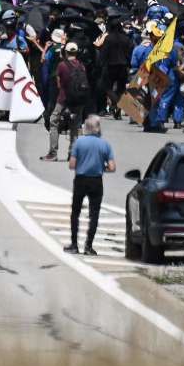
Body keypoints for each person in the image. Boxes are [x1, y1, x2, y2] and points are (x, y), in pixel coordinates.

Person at [66, 116, 116, 256]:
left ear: (85, 128)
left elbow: (72, 165)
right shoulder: (105, 145)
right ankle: (88, 246)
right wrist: (101, 167)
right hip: (96, 181)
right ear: (98, 128)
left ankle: (74, 244)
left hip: (81, 179)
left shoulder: (79, 143)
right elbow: (112, 167)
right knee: (94, 214)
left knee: (75, 212)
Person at [45, 44, 88, 160]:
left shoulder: (62, 65)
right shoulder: (81, 66)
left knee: (53, 121)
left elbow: (59, 84)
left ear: (66, 52)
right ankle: (72, 154)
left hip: (63, 99)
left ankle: (53, 153)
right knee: (75, 125)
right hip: (79, 100)